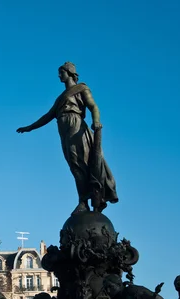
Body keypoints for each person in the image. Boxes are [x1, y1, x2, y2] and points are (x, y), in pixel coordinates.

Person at [17, 62, 118, 214]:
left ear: (69, 73)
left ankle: (86, 201)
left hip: (76, 126)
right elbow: (48, 116)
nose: (59, 75)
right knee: (74, 165)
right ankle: (83, 201)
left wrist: (96, 121)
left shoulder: (81, 88)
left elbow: (93, 106)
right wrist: (29, 127)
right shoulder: (60, 98)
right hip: (63, 130)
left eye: (61, 72)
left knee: (81, 163)